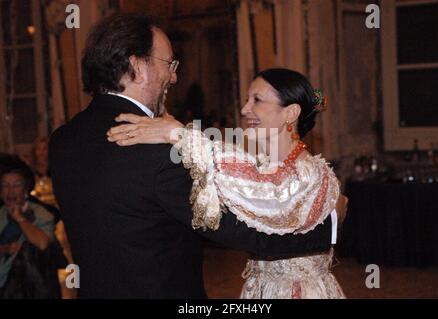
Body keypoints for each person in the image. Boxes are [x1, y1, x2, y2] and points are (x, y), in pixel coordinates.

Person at [49, 13, 343, 299]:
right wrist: (329, 225)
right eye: (169, 64)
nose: (174, 77)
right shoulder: (161, 151)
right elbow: (240, 232)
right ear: (137, 67)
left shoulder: (62, 140)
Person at [107, 68, 346, 298]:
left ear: (290, 113)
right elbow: (238, 180)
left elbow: (269, 193)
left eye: (257, 100)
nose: (244, 109)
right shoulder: (258, 166)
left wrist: (179, 134)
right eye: (246, 99)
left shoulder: (309, 173)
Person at [0, 160, 61, 298]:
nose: (10, 191)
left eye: (16, 185)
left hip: (31, 289)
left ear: (26, 189)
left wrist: (20, 219)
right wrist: (5, 248)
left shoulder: (41, 214)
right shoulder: (1, 214)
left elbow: (42, 243)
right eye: (5, 185)